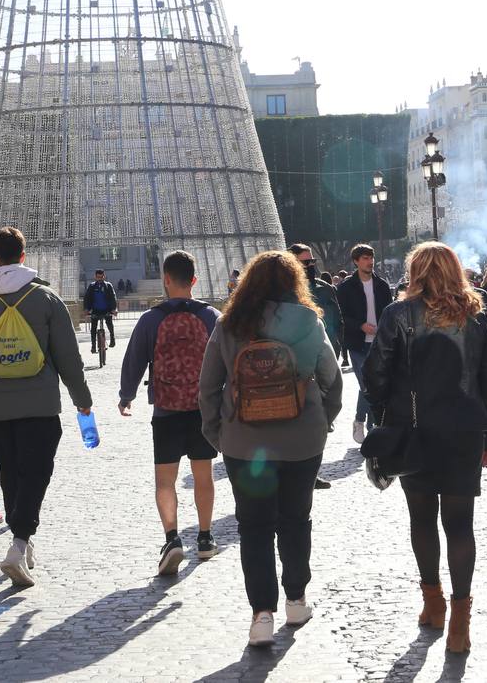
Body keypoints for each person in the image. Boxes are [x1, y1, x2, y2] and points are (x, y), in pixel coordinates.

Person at [198, 250, 342, 647]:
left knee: (254, 528)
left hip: (244, 442)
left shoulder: (230, 324)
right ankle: (296, 598)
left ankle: (262, 614)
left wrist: (219, 435)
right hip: (301, 441)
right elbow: (332, 379)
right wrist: (321, 423)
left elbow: (208, 386)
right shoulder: (309, 321)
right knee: (296, 519)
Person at [362, 242, 487, 654]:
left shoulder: (397, 315)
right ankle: (461, 618)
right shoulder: (474, 315)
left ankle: (433, 603)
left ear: (416, 271)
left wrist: (384, 409)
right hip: (464, 432)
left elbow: (375, 375)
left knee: (421, 519)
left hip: (413, 431)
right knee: (461, 525)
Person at [0, 226, 93, 587]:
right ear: (23, 255)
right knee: (37, 471)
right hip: (40, 400)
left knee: (12, 471)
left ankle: (23, 541)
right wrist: (82, 400)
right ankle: (19, 543)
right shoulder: (46, 297)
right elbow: (68, 357)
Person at [118, 250, 222, 574]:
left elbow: (134, 359)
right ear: (194, 280)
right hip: (203, 409)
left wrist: (127, 395)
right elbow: (225, 362)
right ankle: (204, 539)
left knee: (165, 480)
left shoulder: (152, 319)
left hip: (166, 410)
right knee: (203, 476)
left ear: (165, 280)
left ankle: (172, 538)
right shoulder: (211, 317)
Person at [290, 244, 344, 491]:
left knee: (320, 426)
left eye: (311, 262)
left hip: (326, 357)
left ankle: (312, 471)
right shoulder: (289, 293)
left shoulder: (325, 289)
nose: (309, 266)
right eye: (304, 262)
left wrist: (339, 349)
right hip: (302, 368)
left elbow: (337, 318)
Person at [336, 244, 392, 444]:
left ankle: (367, 424)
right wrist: (360, 326)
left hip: (380, 343)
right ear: (356, 261)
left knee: (374, 384)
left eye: (371, 257)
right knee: (366, 384)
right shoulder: (345, 287)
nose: (370, 261)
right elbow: (341, 316)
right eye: (365, 258)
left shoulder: (382, 286)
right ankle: (364, 422)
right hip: (358, 344)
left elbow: (389, 312)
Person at [83, 269, 118, 351]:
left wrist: (114, 309)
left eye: (101, 277)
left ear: (104, 276)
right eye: (98, 277)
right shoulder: (92, 286)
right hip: (95, 310)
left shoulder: (108, 285)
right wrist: (86, 309)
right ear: (95, 277)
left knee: (110, 324)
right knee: (93, 328)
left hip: (106, 310)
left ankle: (112, 338)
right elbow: (87, 298)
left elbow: (113, 297)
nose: (100, 279)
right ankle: (93, 346)